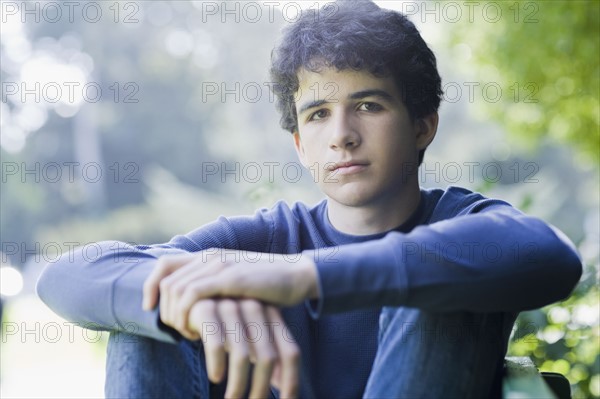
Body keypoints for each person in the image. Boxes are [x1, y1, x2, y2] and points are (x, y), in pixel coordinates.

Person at [37, 1, 582, 398]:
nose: (341, 134)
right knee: (154, 315)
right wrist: (198, 300)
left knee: (442, 287)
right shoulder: (264, 237)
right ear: (299, 145)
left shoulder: (460, 221)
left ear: (423, 125)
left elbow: (550, 256)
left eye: (368, 106)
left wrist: (300, 276)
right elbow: (67, 275)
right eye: (318, 114)